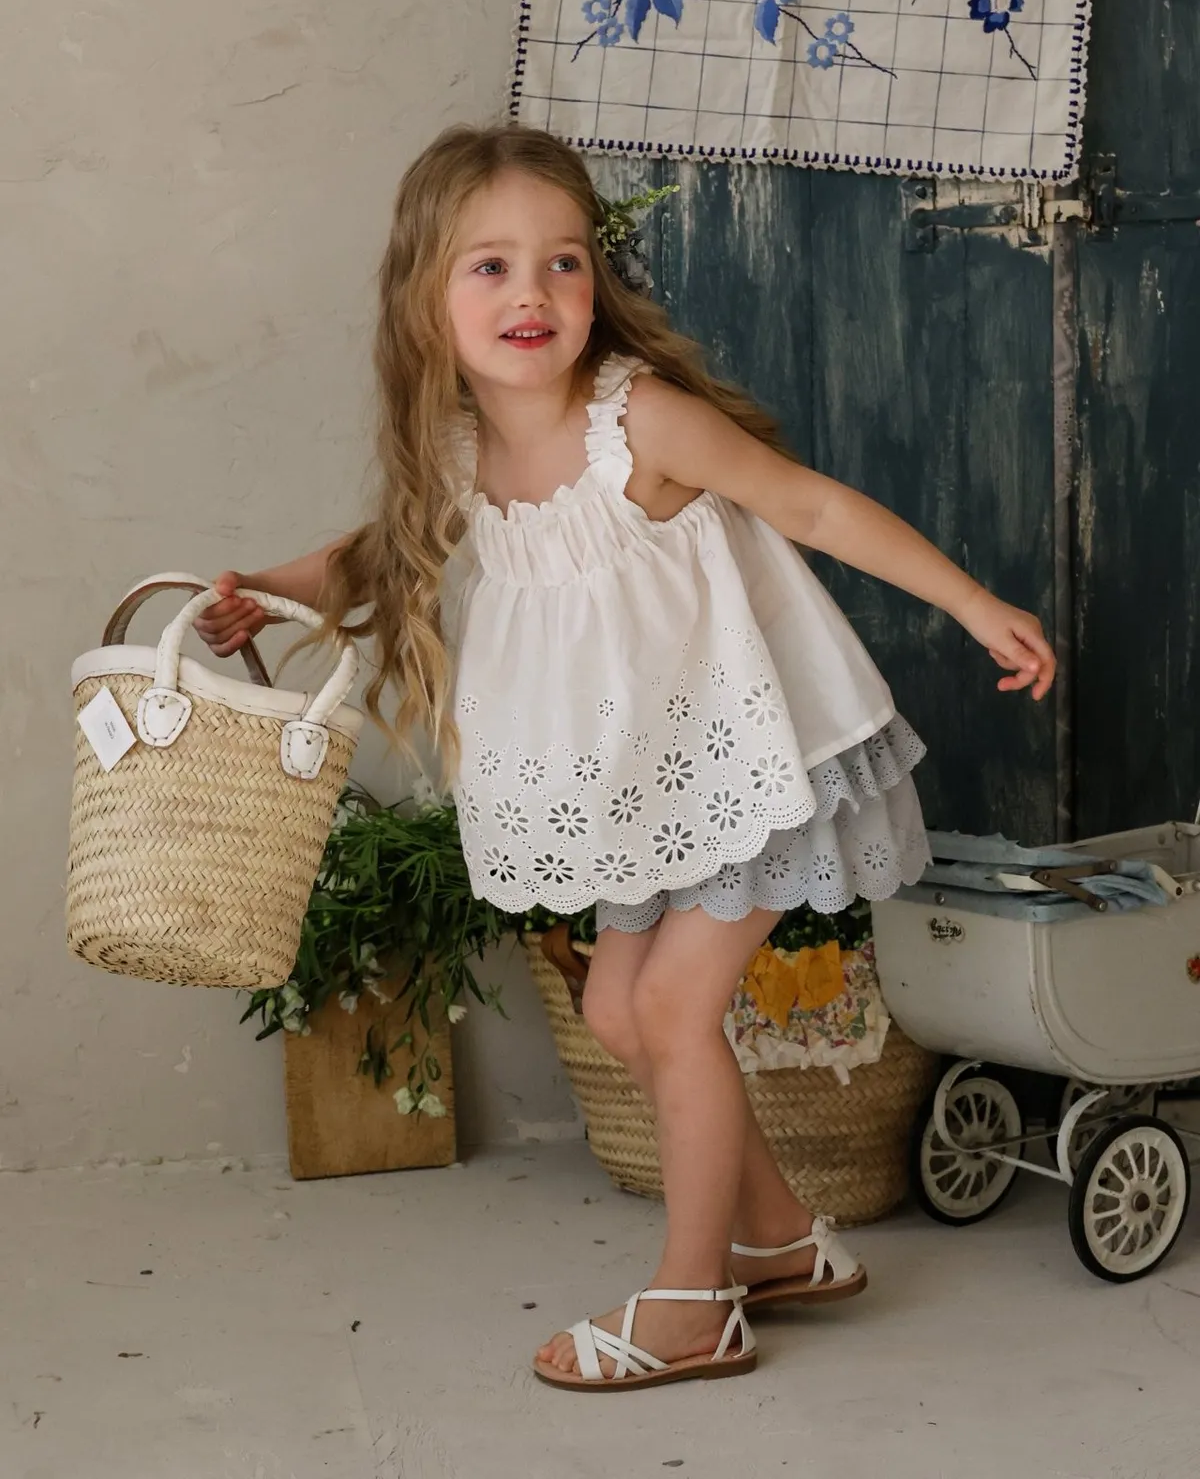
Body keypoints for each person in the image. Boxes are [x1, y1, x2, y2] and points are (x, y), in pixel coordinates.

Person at [196, 123, 1055, 1393]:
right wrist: (268, 590)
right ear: (425, 297)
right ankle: (778, 1241)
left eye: (563, 262)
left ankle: (694, 1303)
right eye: (490, 266)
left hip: (761, 758)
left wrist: (975, 605)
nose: (533, 293)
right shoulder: (458, 452)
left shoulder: (637, 423)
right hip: (663, 785)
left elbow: (810, 504)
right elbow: (379, 555)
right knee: (615, 1007)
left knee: (667, 1009)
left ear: (596, 283)